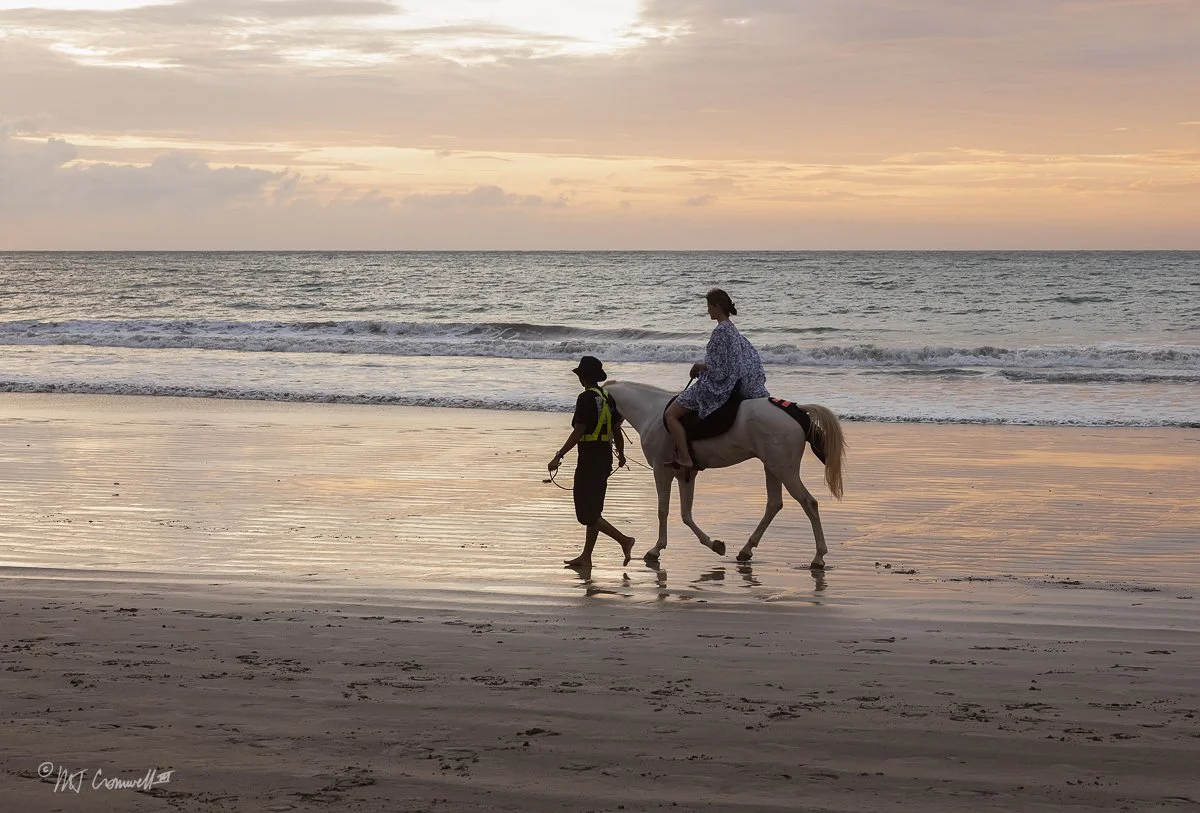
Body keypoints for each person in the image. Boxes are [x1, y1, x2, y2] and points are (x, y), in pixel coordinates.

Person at [665, 288, 769, 472]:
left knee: (670, 414)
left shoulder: (720, 331)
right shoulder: (732, 329)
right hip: (733, 380)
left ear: (718, 306)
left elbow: (719, 368)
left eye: (709, 306)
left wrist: (699, 366)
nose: (708, 311)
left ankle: (685, 458)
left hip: (720, 386)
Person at [547, 355, 636, 568]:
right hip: (605, 458)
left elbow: (578, 431)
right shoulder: (608, 397)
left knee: (585, 514)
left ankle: (624, 540)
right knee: (594, 510)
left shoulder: (585, 398)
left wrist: (558, 455)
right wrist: (621, 455)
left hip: (589, 459)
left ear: (583, 378)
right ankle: (586, 556)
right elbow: (617, 429)